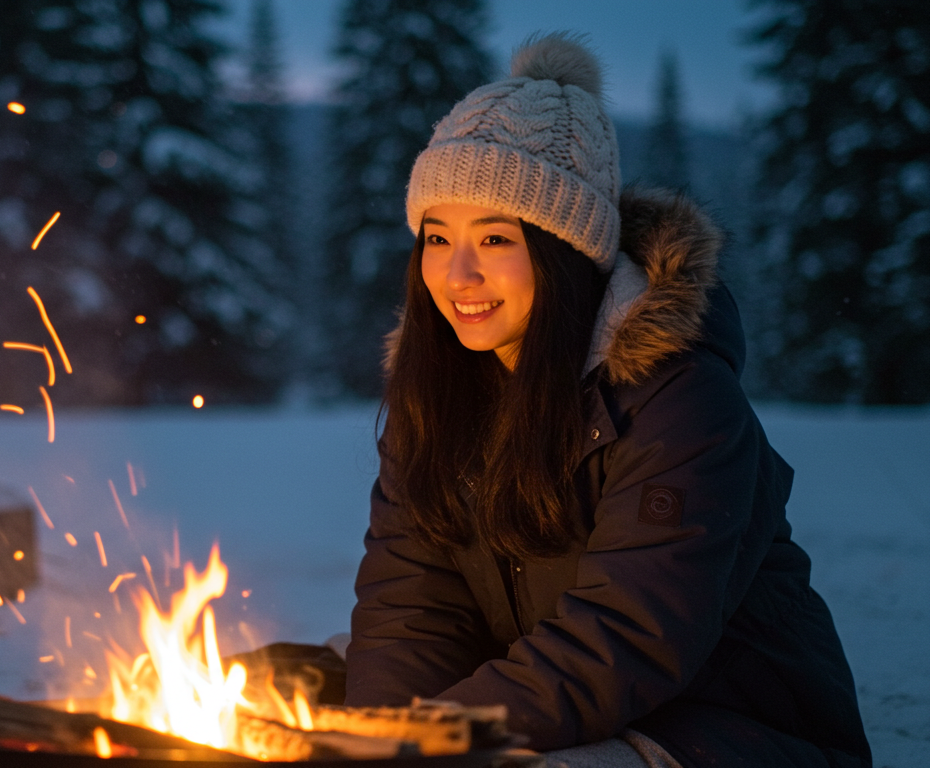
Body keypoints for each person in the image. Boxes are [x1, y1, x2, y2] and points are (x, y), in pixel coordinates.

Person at [343, 33, 873, 768]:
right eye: (437, 238)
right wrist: (382, 737)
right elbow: (411, 602)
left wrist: (423, 738)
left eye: (495, 238)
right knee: (292, 687)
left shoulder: (680, 400)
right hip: (547, 700)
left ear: (565, 251)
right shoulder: (440, 396)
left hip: (714, 726)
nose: (457, 273)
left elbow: (626, 636)